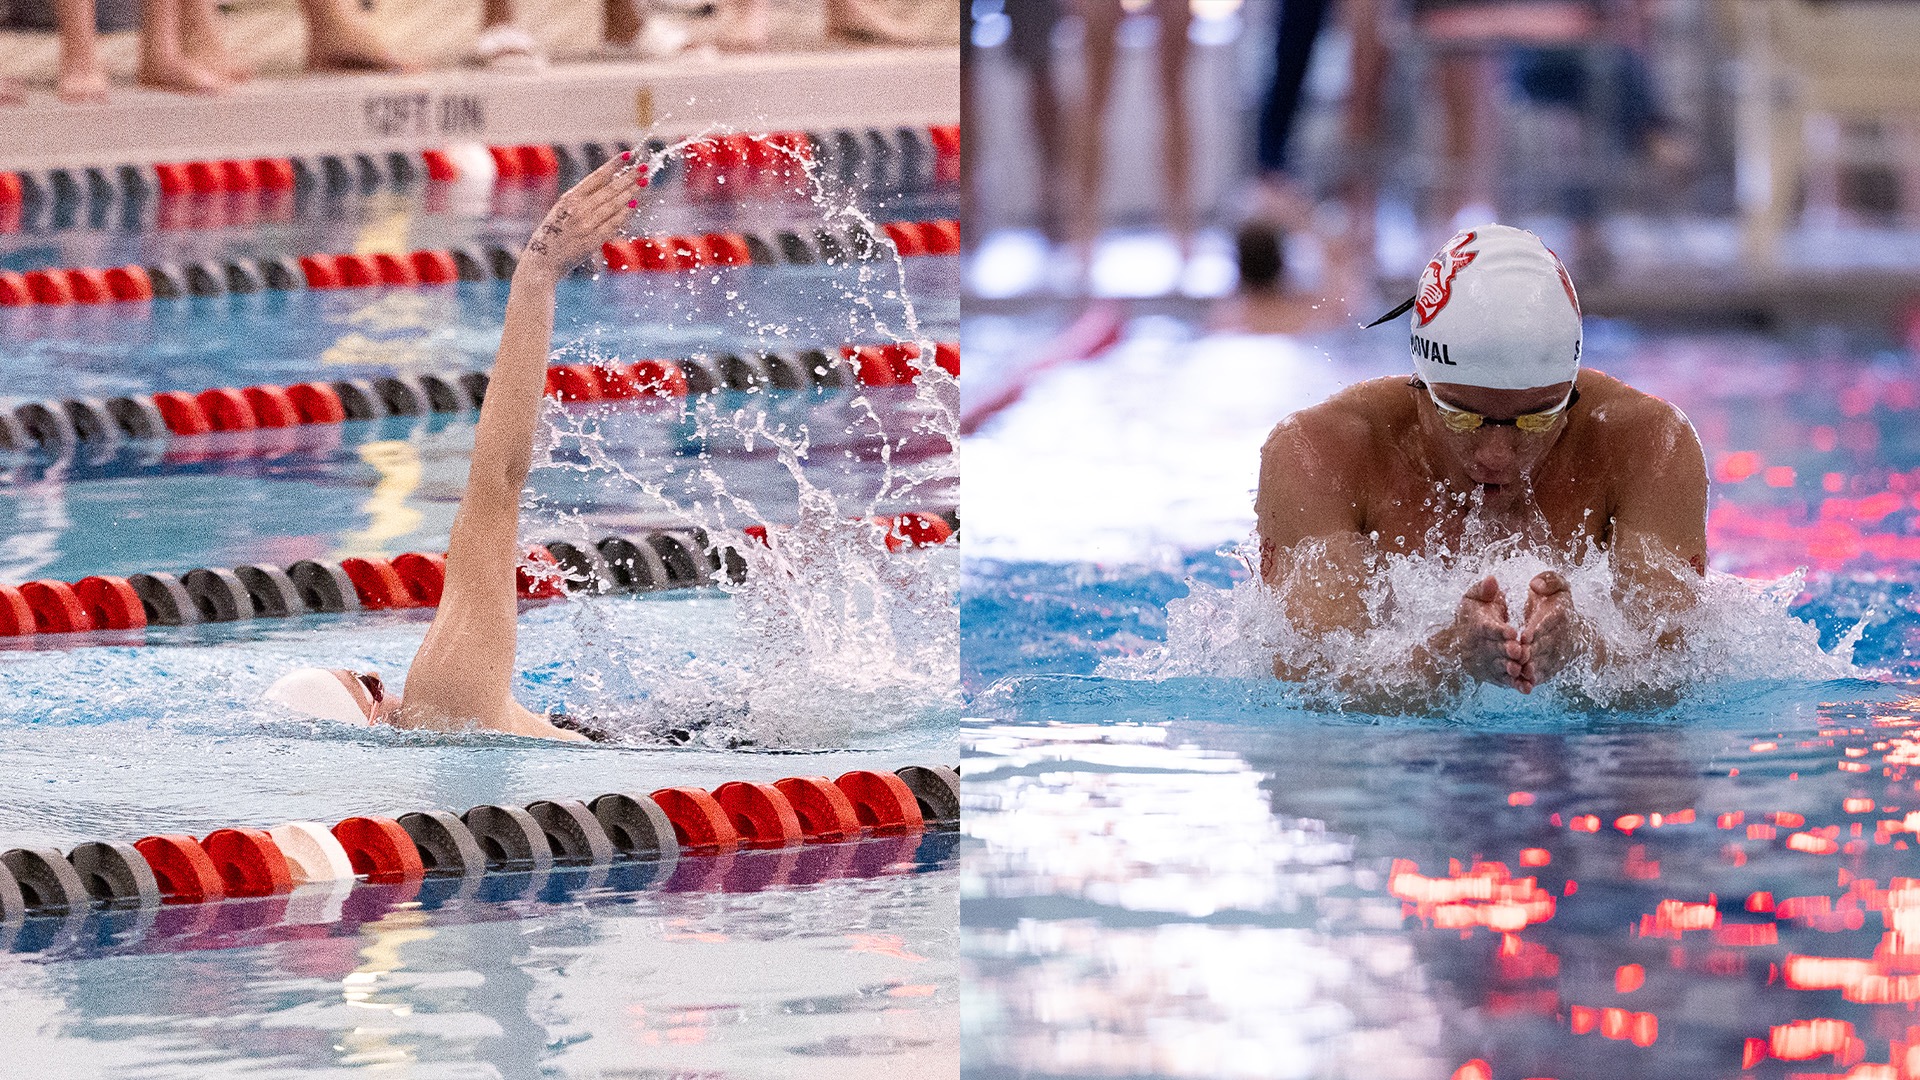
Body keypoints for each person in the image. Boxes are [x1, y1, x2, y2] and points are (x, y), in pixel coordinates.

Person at [265, 154, 651, 742]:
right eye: (364, 685)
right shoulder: (444, 701)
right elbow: (497, 484)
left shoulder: (438, 742)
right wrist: (537, 273)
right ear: (368, 717)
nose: (376, 673)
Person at [1253, 224, 1706, 696]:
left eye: (1536, 418)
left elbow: (1682, 673)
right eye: (1462, 416)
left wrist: (1588, 651)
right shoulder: (1320, 454)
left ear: (1570, 392)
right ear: (1421, 384)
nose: (1496, 455)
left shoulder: (1649, 447)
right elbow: (1305, 683)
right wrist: (1443, 655)